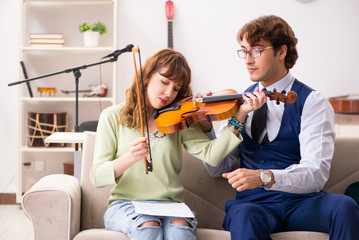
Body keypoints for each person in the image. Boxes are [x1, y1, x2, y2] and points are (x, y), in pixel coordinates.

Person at [204, 15, 359, 240]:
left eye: (256, 50)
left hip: (302, 204)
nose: (248, 59)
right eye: (244, 50)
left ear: (281, 51)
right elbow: (215, 169)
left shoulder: (312, 101)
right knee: (244, 216)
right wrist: (228, 119)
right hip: (255, 206)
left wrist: (265, 176)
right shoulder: (239, 103)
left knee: (343, 207)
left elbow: (316, 173)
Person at [90, 48, 266, 240]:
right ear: (148, 76)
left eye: (176, 88)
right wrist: (129, 158)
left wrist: (240, 115)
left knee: (180, 231)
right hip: (125, 204)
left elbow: (212, 155)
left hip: (170, 206)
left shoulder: (177, 118)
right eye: (164, 81)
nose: (168, 93)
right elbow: (97, 176)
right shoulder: (112, 116)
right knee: (147, 226)